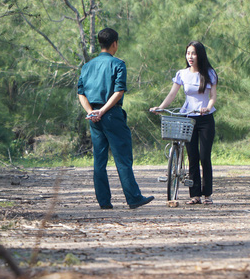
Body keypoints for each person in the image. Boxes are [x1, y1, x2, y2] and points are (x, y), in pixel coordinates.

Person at [78, 28, 155, 210]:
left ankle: (104, 201)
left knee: (99, 160)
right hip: (111, 114)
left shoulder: (87, 66)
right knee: (122, 157)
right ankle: (133, 198)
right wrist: (103, 111)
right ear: (115, 43)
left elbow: (81, 93)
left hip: (93, 117)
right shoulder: (118, 64)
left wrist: (92, 112)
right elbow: (118, 92)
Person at [150, 41, 218, 205]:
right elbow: (172, 94)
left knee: (204, 156)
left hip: (205, 118)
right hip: (188, 118)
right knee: (192, 157)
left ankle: (207, 194)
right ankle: (194, 195)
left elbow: (213, 97)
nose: (190, 57)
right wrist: (160, 107)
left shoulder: (209, 73)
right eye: (188, 53)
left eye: (193, 53)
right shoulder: (182, 73)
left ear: (200, 55)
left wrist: (207, 108)